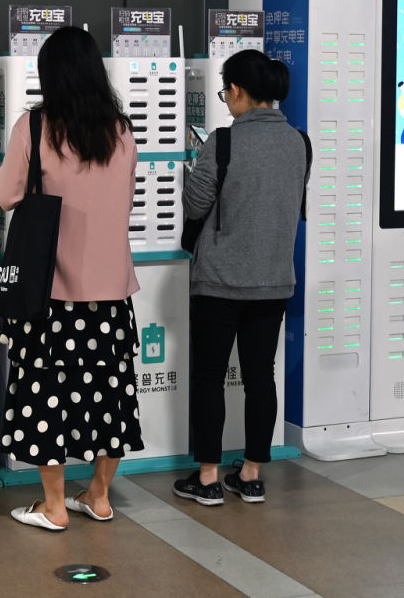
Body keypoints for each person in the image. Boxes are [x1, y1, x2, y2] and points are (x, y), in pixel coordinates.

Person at [0, 26, 143, 530]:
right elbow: (126, 199)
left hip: (50, 292)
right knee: (111, 392)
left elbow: (6, 196)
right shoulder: (121, 131)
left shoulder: (34, 126)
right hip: (111, 291)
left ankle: (55, 506)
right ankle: (98, 496)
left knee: (44, 394)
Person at [172, 50, 310, 505]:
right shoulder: (299, 142)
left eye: (224, 91)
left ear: (236, 91)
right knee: (260, 378)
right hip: (274, 281)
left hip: (219, 282)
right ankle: (250, 475)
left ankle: (208, 478)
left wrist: (194, 170)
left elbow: (195, 205)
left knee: (210, 376)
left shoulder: (224, 142)